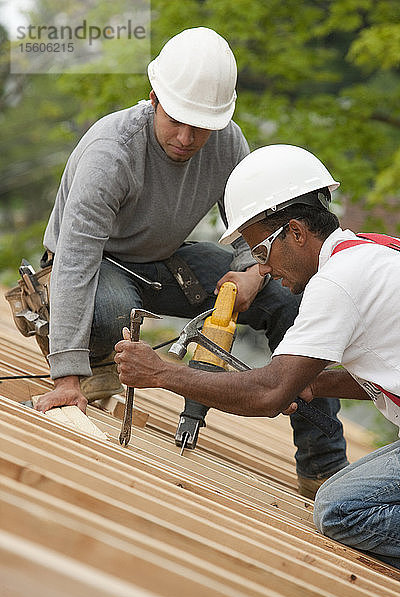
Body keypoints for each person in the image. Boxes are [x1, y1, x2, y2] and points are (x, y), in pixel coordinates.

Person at [35, 28, 347, 498]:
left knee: (286, 299)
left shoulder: (226, 143)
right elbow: (75, 262)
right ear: (154, 97)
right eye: (176, 120)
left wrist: (252, 271)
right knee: (118, 316)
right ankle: (96, 365)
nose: (186, 138)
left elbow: (256, 229)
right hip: (98, 264)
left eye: (201, 126)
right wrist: (65, 378)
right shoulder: (111, 154)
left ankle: (322, 465)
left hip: (164, 260)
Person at [114, 143, 400, 568]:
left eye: (262, 252)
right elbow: (387, 371)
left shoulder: (337, 283)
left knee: (340, 509)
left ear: (297, 233)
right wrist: (314, 382)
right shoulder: (372, 251)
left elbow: (267, 394)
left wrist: (159, 374)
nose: (262, 270)